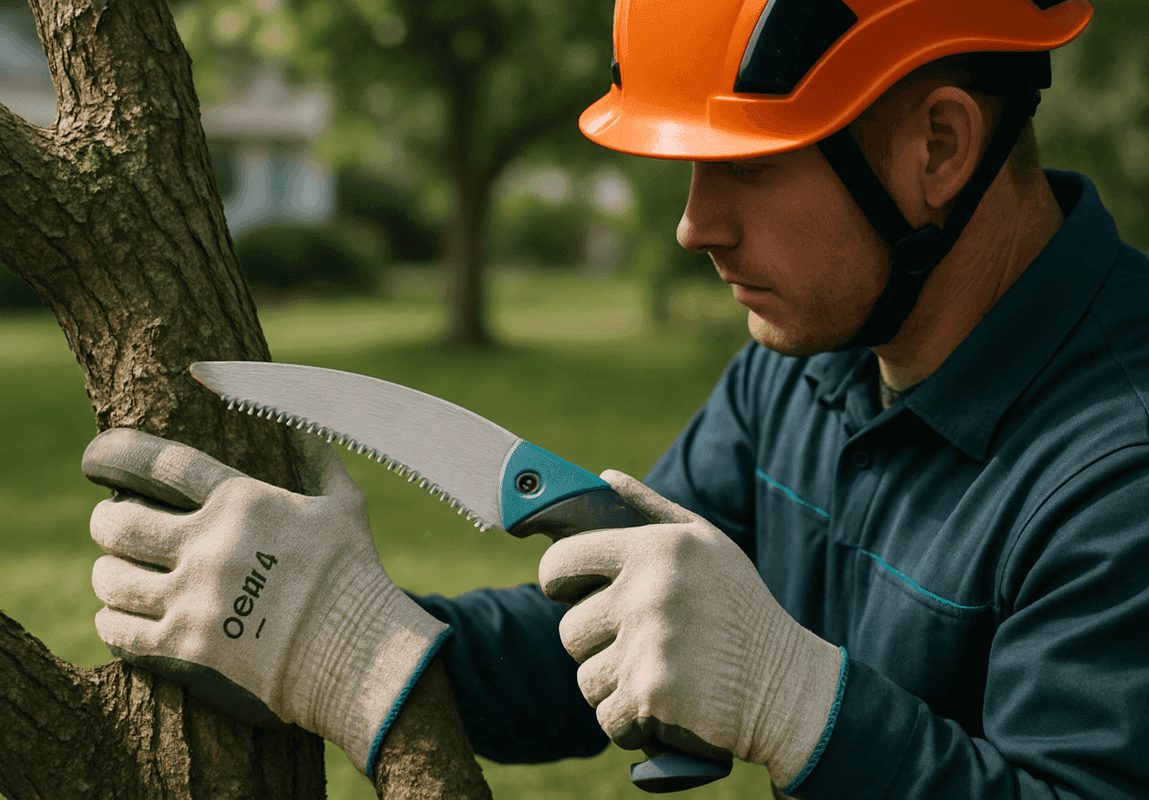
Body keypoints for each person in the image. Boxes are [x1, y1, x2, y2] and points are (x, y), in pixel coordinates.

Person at [83, 0, 1149, 797]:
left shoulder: (1119, 468)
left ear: (938, 147)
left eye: (748, 166)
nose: (696, 224)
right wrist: (363, 636)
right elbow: (611, 624)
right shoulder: (805, 359)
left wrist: (802, 705)